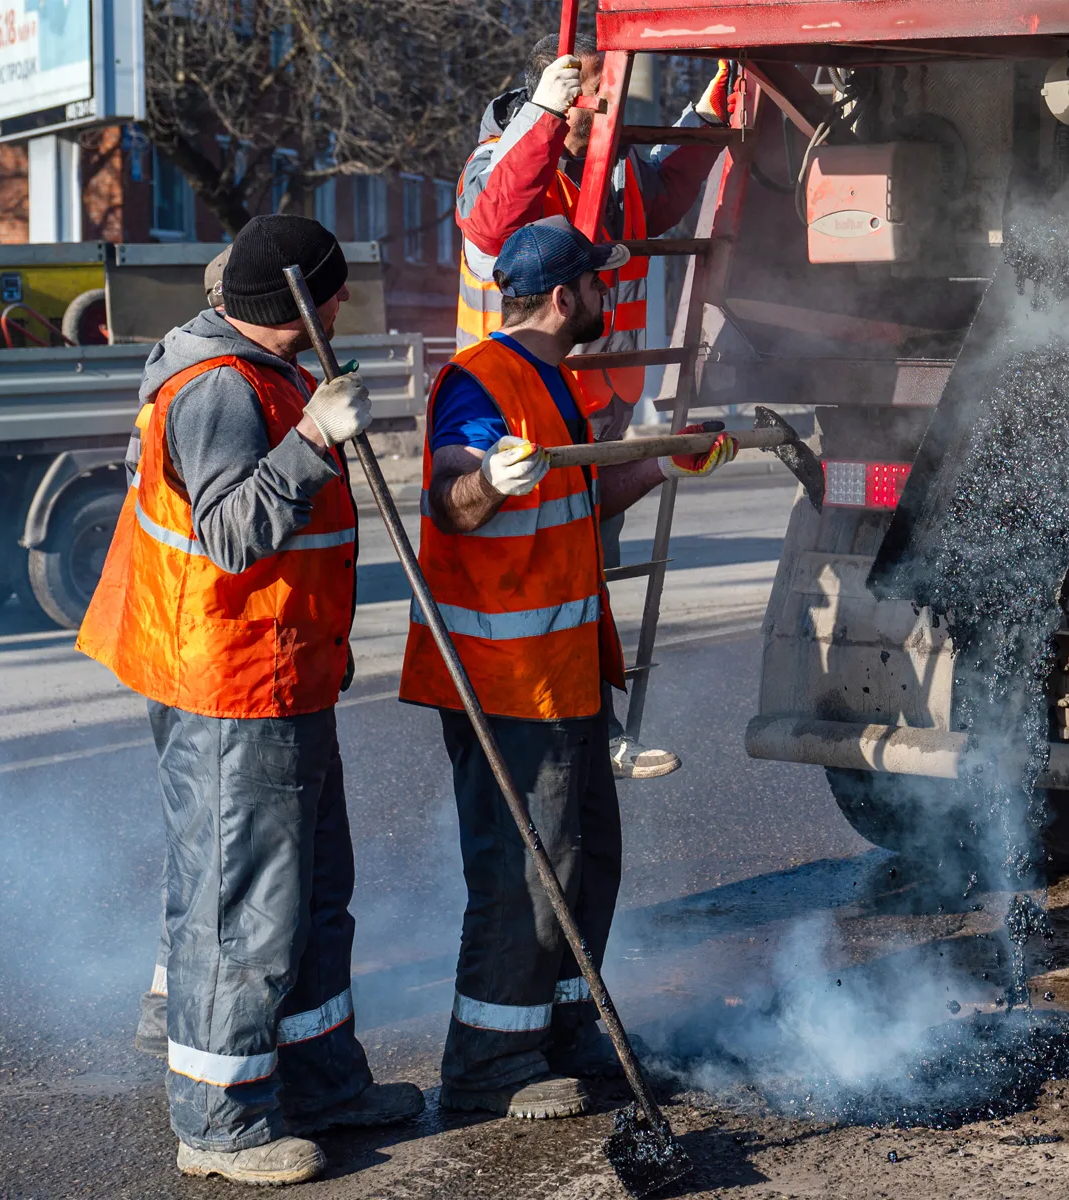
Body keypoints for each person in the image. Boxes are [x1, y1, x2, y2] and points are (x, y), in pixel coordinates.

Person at [78, 214, 424, 1186]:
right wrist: (314, 438)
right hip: (234, 686)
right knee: (244, 912)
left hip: (282, 673)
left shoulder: (259, 366)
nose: (346, 303)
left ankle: (320, 1083)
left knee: (312, 894)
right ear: (301, 305)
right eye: (333, 290)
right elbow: (235, 533)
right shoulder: (221, 390)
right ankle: (219, 1120)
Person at [401, 217, 735, 1118]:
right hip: (506, 682)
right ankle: (487, 1067)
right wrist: (487, 483)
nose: (609, 298)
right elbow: (452, 496)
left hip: (562, 675)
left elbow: (579, 498)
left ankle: (564, 1031)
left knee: (587, 864)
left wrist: (666, 458)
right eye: (598, 285)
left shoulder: (551, 380)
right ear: (563, 296)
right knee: (527, 876)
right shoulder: (482, 379)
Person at [456, 35, 736, 779]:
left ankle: (589, 729)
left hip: (593, 403)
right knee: (527, 583)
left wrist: (715, 110)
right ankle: (529, 731)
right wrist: (545, 120)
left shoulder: (608, 164)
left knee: (583, 578)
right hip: (509, 410)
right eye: (593, 103)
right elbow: (488, 231)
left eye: (609, 103)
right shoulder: (502, 158)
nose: (606, 115)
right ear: (554, 98)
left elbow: (668, 187)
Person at [135, 242, 235, 1061]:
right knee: (211, 830)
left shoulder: (173, 366)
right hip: (200, 643)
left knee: (199, 828)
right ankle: (177, 1000)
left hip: (175, 638)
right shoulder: (210, 387)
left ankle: (172, 988)